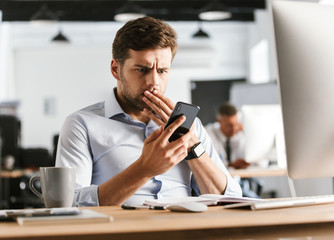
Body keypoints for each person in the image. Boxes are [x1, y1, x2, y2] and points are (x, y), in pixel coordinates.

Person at [55, 17, 242, 207]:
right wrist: (143, 170)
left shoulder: (189, 125)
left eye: (162, 71)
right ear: (115, 69)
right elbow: (69, 204)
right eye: (142, 69)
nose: (154, 82)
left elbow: (230, 200)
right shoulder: (81, 125)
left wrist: (192, 144)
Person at [205, 103, 262, 198]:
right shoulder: (208, 134)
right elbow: (209, 163)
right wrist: (230, 165)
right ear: (218, 122)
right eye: (229, 125)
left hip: (239, 183)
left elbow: (261, 162)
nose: (234, 129)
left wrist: (248, 131)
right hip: (218, 185)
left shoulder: (240, 135)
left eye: (236, 124)